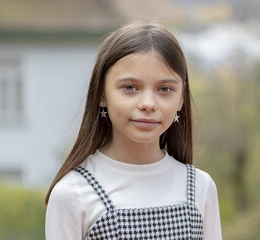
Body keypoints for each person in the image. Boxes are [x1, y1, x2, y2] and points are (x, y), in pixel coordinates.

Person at [45, 21, 222, 240]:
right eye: (130, 88)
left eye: (165, 89)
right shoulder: (73, 193)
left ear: (181, 98)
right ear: (101, 93)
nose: (148, 103)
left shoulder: (200, 187)